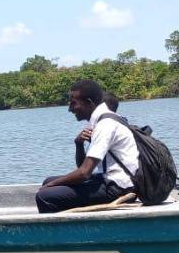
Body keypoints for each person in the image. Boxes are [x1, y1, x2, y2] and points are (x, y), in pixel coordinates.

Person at [35, 80, 139, 213]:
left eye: (73, 103)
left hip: (120, 188)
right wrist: (79, 144)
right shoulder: (103, 120)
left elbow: (83, 173)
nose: (70, 109)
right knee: (47, 182)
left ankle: (72, 225)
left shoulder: (105, 125)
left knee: (44, 196)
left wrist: (52, 185)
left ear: (89, 103)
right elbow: (83, 168)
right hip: (111, 181)